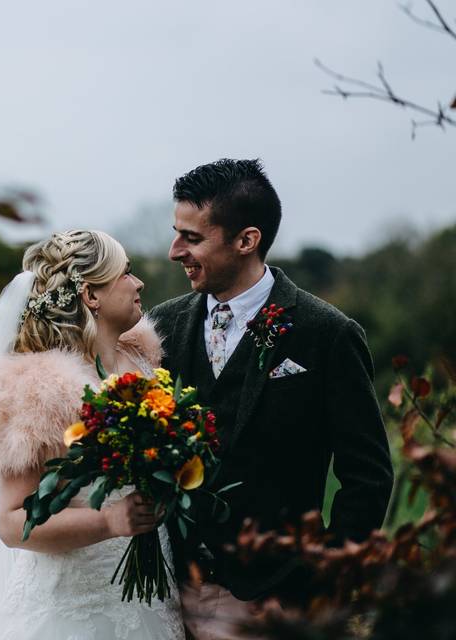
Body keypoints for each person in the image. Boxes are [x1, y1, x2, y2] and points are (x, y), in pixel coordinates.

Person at [149, 159, 394, 640]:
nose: (175, 250)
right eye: (177, 233)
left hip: (274, 600)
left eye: (192, 238)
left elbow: (367, 475)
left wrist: (320, 582)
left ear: (246, 240)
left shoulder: (326, 334)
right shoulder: (161, 326)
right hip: (163, 596)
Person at [0, 230, 185, 640]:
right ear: (91, 296)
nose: (139, 282)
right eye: (125, 273)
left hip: (154, 597)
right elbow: (11, 521)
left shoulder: (146, 362)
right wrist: (109, 520)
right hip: (74, 608)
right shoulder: (37, 389)